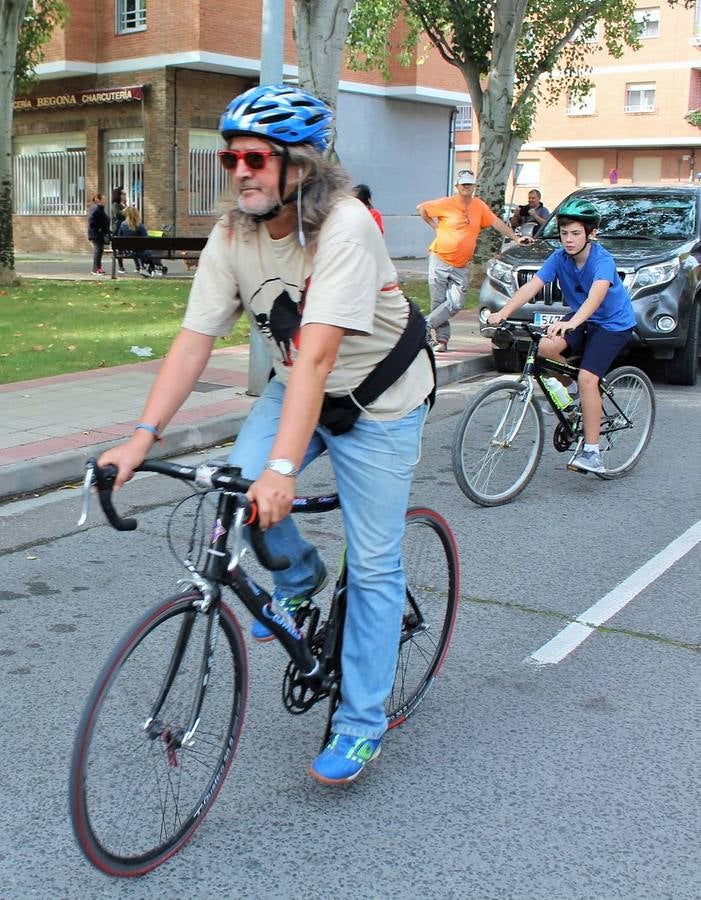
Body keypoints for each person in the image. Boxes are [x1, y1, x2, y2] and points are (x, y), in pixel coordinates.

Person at [97, 83, 435, 786]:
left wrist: (283, 467)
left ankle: (361, 722)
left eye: (255, 157)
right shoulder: (232, 235)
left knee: (372, 567)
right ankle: (300, 575)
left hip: (379, 402)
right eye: (230, 159)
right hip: (298, 388)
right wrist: (141, 437)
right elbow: (192, 341)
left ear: (300, 165)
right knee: (237, 494)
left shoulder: (345, 227)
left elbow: (317, 355)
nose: (241, 170)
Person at [488, 197, 635, 475]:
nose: (568, 239)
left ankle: (592, 453)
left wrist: (571, 323)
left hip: (612, 323)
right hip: (582, 317)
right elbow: (533, 286)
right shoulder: (559, 258)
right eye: (564, 233)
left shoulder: (602, 260)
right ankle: (570, 400)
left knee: (588, 379)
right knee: (545, 347)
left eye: (576, 233)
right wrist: (504, 312)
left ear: (591, 234)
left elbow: (595, 298)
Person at [417, 169, 531, 353]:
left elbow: (497, 223)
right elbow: (421, 209)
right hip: (439, 258)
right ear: (457, 186)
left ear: (474, 187)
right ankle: (442, 340)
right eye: (463, 184)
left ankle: (424, 325)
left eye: (469, 184)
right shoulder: (446, 203)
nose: (466, 188)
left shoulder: (479, 206)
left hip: (460, 264)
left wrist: (516, 238)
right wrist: (435, 226)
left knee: (455, 303)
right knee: (438, 304)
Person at [118, 206, 160, 276]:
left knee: (144, 251)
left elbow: (119, 237)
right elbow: (146, 239)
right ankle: (151, 269)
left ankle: (143, 268)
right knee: (150, 251)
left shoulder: (123, 225)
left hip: (128, 251)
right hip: (140, 251)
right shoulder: (140, 226)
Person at [87, 193, 110, 275]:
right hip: (96, 234)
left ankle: (97, 268)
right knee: (98, 250)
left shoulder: (100, 209)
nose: (105, 201)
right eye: (104, 199)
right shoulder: (96, 209)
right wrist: (99, 228)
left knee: (100, 250)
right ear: (98, 200)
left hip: (99, 233)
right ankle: (96, 269)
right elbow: (91, 221)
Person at [110, 187, 127, 274]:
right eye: (123, 194)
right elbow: (117, 215)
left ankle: (138, 266)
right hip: (118, 229)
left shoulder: (124, 204)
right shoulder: (115, 205)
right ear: (119, 195)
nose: (125, 196)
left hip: (125, 229)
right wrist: (126, 211)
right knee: (120, 249)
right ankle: (121, 266)